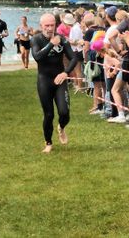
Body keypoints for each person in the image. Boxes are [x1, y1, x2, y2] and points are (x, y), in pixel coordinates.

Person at [30, 13, 77, 153]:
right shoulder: (36, 39)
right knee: (49, 114)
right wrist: (51, 44)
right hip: (44, 80)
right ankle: (48, 142)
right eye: (47, 26)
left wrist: (65, 72)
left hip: (60, 80)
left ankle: (61, 127)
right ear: (41, 26)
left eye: (52, 25)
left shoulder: (62, 39)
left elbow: (73, 58)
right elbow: (37, 57)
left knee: (64, 112)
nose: (50, 28)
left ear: (55, 25)